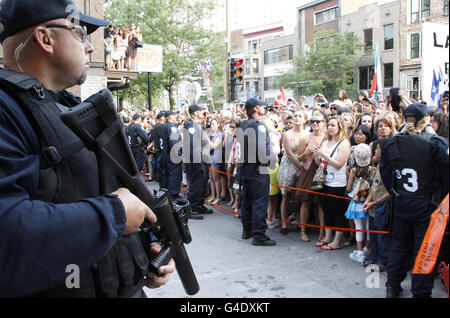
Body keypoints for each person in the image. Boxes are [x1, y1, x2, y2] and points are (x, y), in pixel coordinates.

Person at [0, 0, 174, 298]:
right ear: (44, 38)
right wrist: (115, 214)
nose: (92, 46)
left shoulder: (68, 107)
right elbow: (8, 237)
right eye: (80, 33)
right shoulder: (8, 111)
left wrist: (142, 252)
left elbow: (88, 196)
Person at [379, 103, 449, 298]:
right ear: (426, 120)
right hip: (425, 204)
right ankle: (421, 291)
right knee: (424, 248)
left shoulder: (391, 143)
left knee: (399, 245)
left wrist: (396, 191)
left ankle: (392, 285)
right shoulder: (434, 143)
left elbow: (386, 174)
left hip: (402, 201)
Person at [236, 98, 278, 246]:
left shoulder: (243, 124)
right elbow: (261, 150)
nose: (264, 108)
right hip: (258, 168)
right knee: (260, 201)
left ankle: (247, 229)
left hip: (245, 168)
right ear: (255, 109)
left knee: (247, 200)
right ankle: (259, 234)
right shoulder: (258, 126)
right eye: (261, 106)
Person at [314, 116, 351, 250]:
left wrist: (323, 154)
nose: (330, 128)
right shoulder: (325, 141)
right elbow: (319, 162)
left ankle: (337, 241)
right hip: (323, 181)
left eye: (333, 125)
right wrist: (317, 156)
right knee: (326, 209)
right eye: (328, 125)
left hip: (337, 183)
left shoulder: (344, 143)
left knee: (337, 211)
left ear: (340, 127)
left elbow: (339, 164)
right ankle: (328, 237)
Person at [277, 110, 309, 235]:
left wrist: (303, 167)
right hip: (288, 166)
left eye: (300, 116)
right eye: (295, 115)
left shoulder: (308, 134)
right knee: (285, 196)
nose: (296, 118)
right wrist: (300, 166)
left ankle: (299, 222)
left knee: (300, 196)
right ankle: (284, 225)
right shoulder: (287, 134)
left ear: (305, 119)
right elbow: (289, 153)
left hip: (303, 166)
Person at [345, 144, 375, 264]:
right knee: (368, 226)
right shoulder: (373, 170)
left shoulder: (354, 170)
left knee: (359, 227)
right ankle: (367, 248)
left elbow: (348, 188)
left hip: (357, 201)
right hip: (369, 201)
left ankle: (359, 251)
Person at [183, 104, 213, 219]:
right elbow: (192, 145)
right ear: (194, 113)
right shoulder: (191, 125)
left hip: (202, 159)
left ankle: (199, 204)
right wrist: (197, 161)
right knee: (196, 184)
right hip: (195, 160)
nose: (203, 112)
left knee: (202, 184)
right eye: (200, 111)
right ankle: (191, 208)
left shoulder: (197, 125)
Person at [160, 111, 182, 201]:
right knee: (174, 175)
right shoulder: (172, 127)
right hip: (172, 155)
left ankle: (166, 192)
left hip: (164, 154)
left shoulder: (162, 126)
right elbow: (173, 142)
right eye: (174, 116)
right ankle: (173, 194)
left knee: (167, 174)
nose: (176, 117)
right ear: (170, 117)